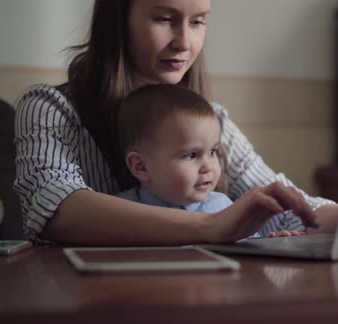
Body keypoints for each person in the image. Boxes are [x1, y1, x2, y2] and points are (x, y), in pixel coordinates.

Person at [13, 0, 338, 245]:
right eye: (164, 19)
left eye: (198, 22)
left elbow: (288, 206)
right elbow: (56, 209)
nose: (184, 42)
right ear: (118, 20)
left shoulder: (215, 121)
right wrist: (211, 227)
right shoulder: (50, 108)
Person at [114, 84, 304, 238]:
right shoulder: (120, 213)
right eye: (191, 155)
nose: (208, 167)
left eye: (213, 152)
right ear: (140, 166)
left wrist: (272, 245)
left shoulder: (224, 208)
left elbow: (249, 254)